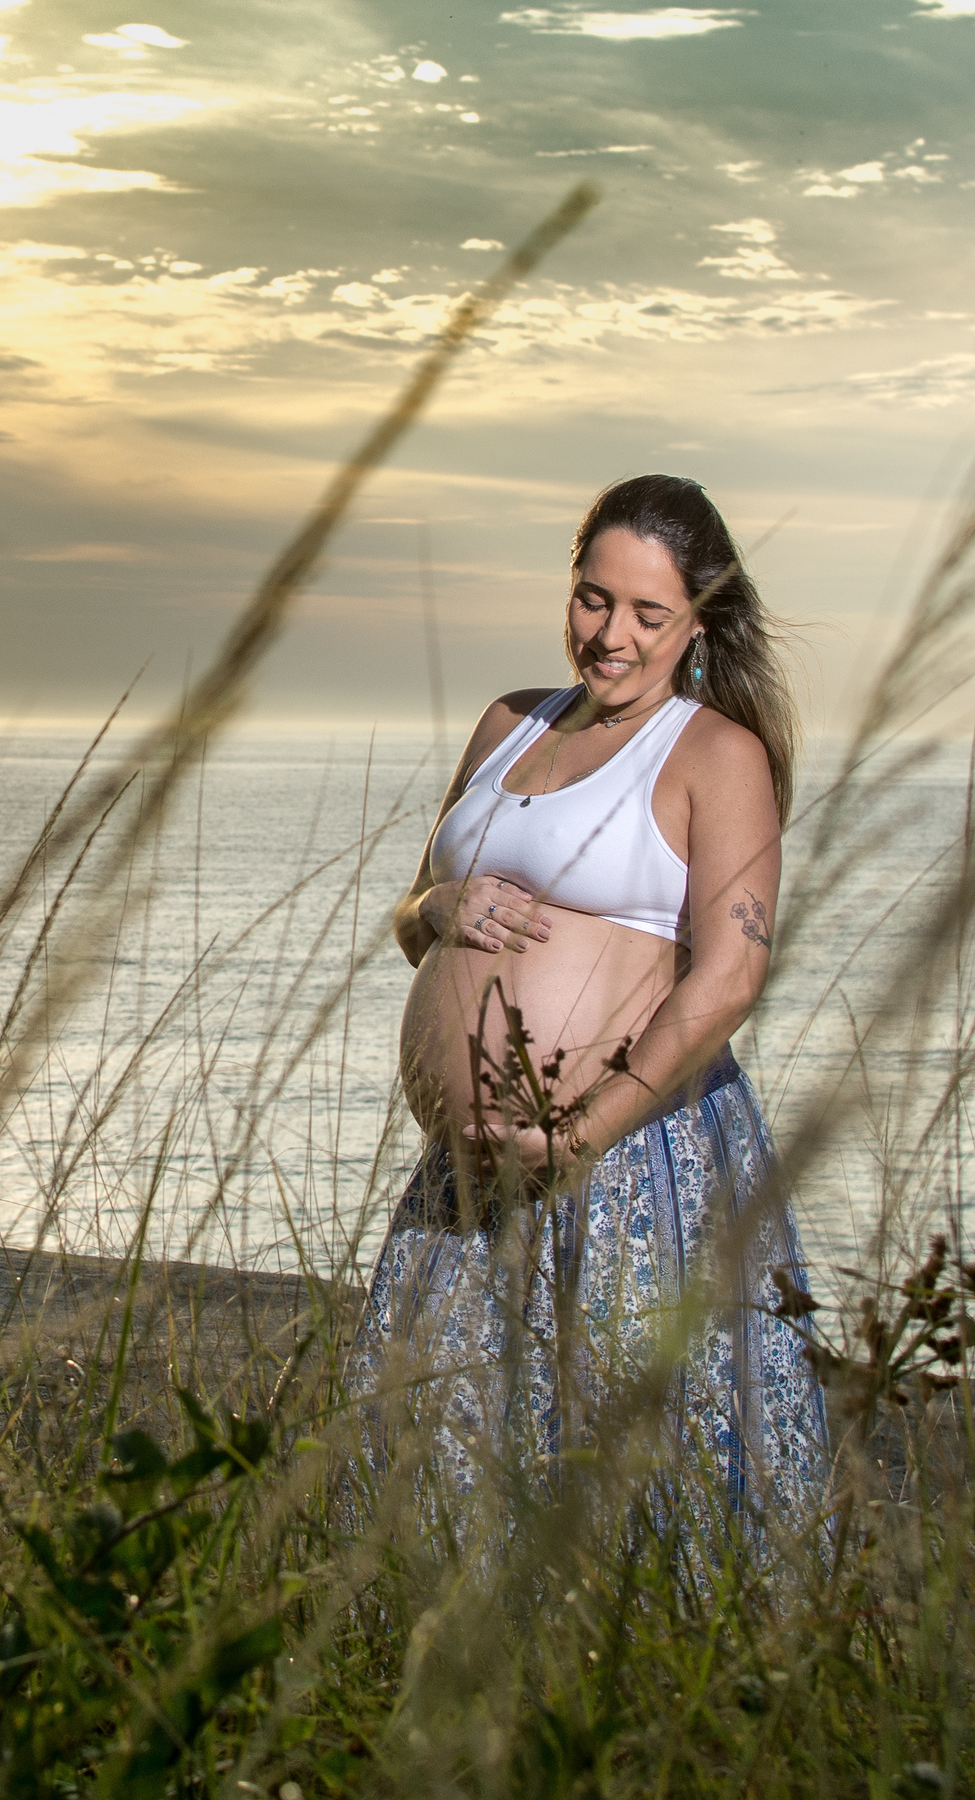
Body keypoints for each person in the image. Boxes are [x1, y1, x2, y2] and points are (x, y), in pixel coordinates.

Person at [346, 474, 826, 1537]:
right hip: (466, 1181)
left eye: (649, 614)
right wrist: (441, 899)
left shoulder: (714, 754)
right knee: (436, 1470)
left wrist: (579, 1135)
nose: (611, 635)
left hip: (626, 1161)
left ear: (699, 621)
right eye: (593, 599)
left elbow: (731, 976)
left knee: (634, 1480)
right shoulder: (510, 725)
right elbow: (413, 924)